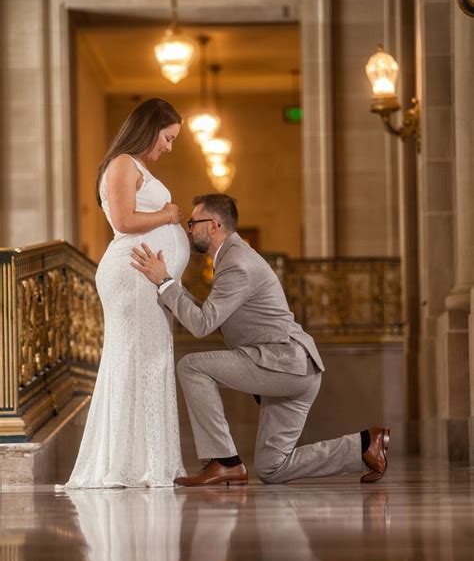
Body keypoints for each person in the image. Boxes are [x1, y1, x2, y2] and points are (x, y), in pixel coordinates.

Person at [131, 194, 390, 486]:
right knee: (272, 468)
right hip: (297, 369)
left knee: (192, 366)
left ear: (214, 225)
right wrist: (168, 284)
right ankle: (365, 445)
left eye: (193, 223)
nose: (190, 230)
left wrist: (165, 284)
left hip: (284, 363)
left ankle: (224, 461)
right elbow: (209, 315)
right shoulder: (233, 257)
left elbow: (202, 324)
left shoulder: (236, 263)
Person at [65, 98, 190, 488]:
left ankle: (147, 460)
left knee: (149, 360)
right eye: (167, 138)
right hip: (131, 276)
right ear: (151, 128)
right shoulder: (122, 163)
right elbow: (123, 220)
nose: (169, 148)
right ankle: (133, 463)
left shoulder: (136, 167)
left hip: (144, 279)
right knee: (142, 361)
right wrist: (168, 216)